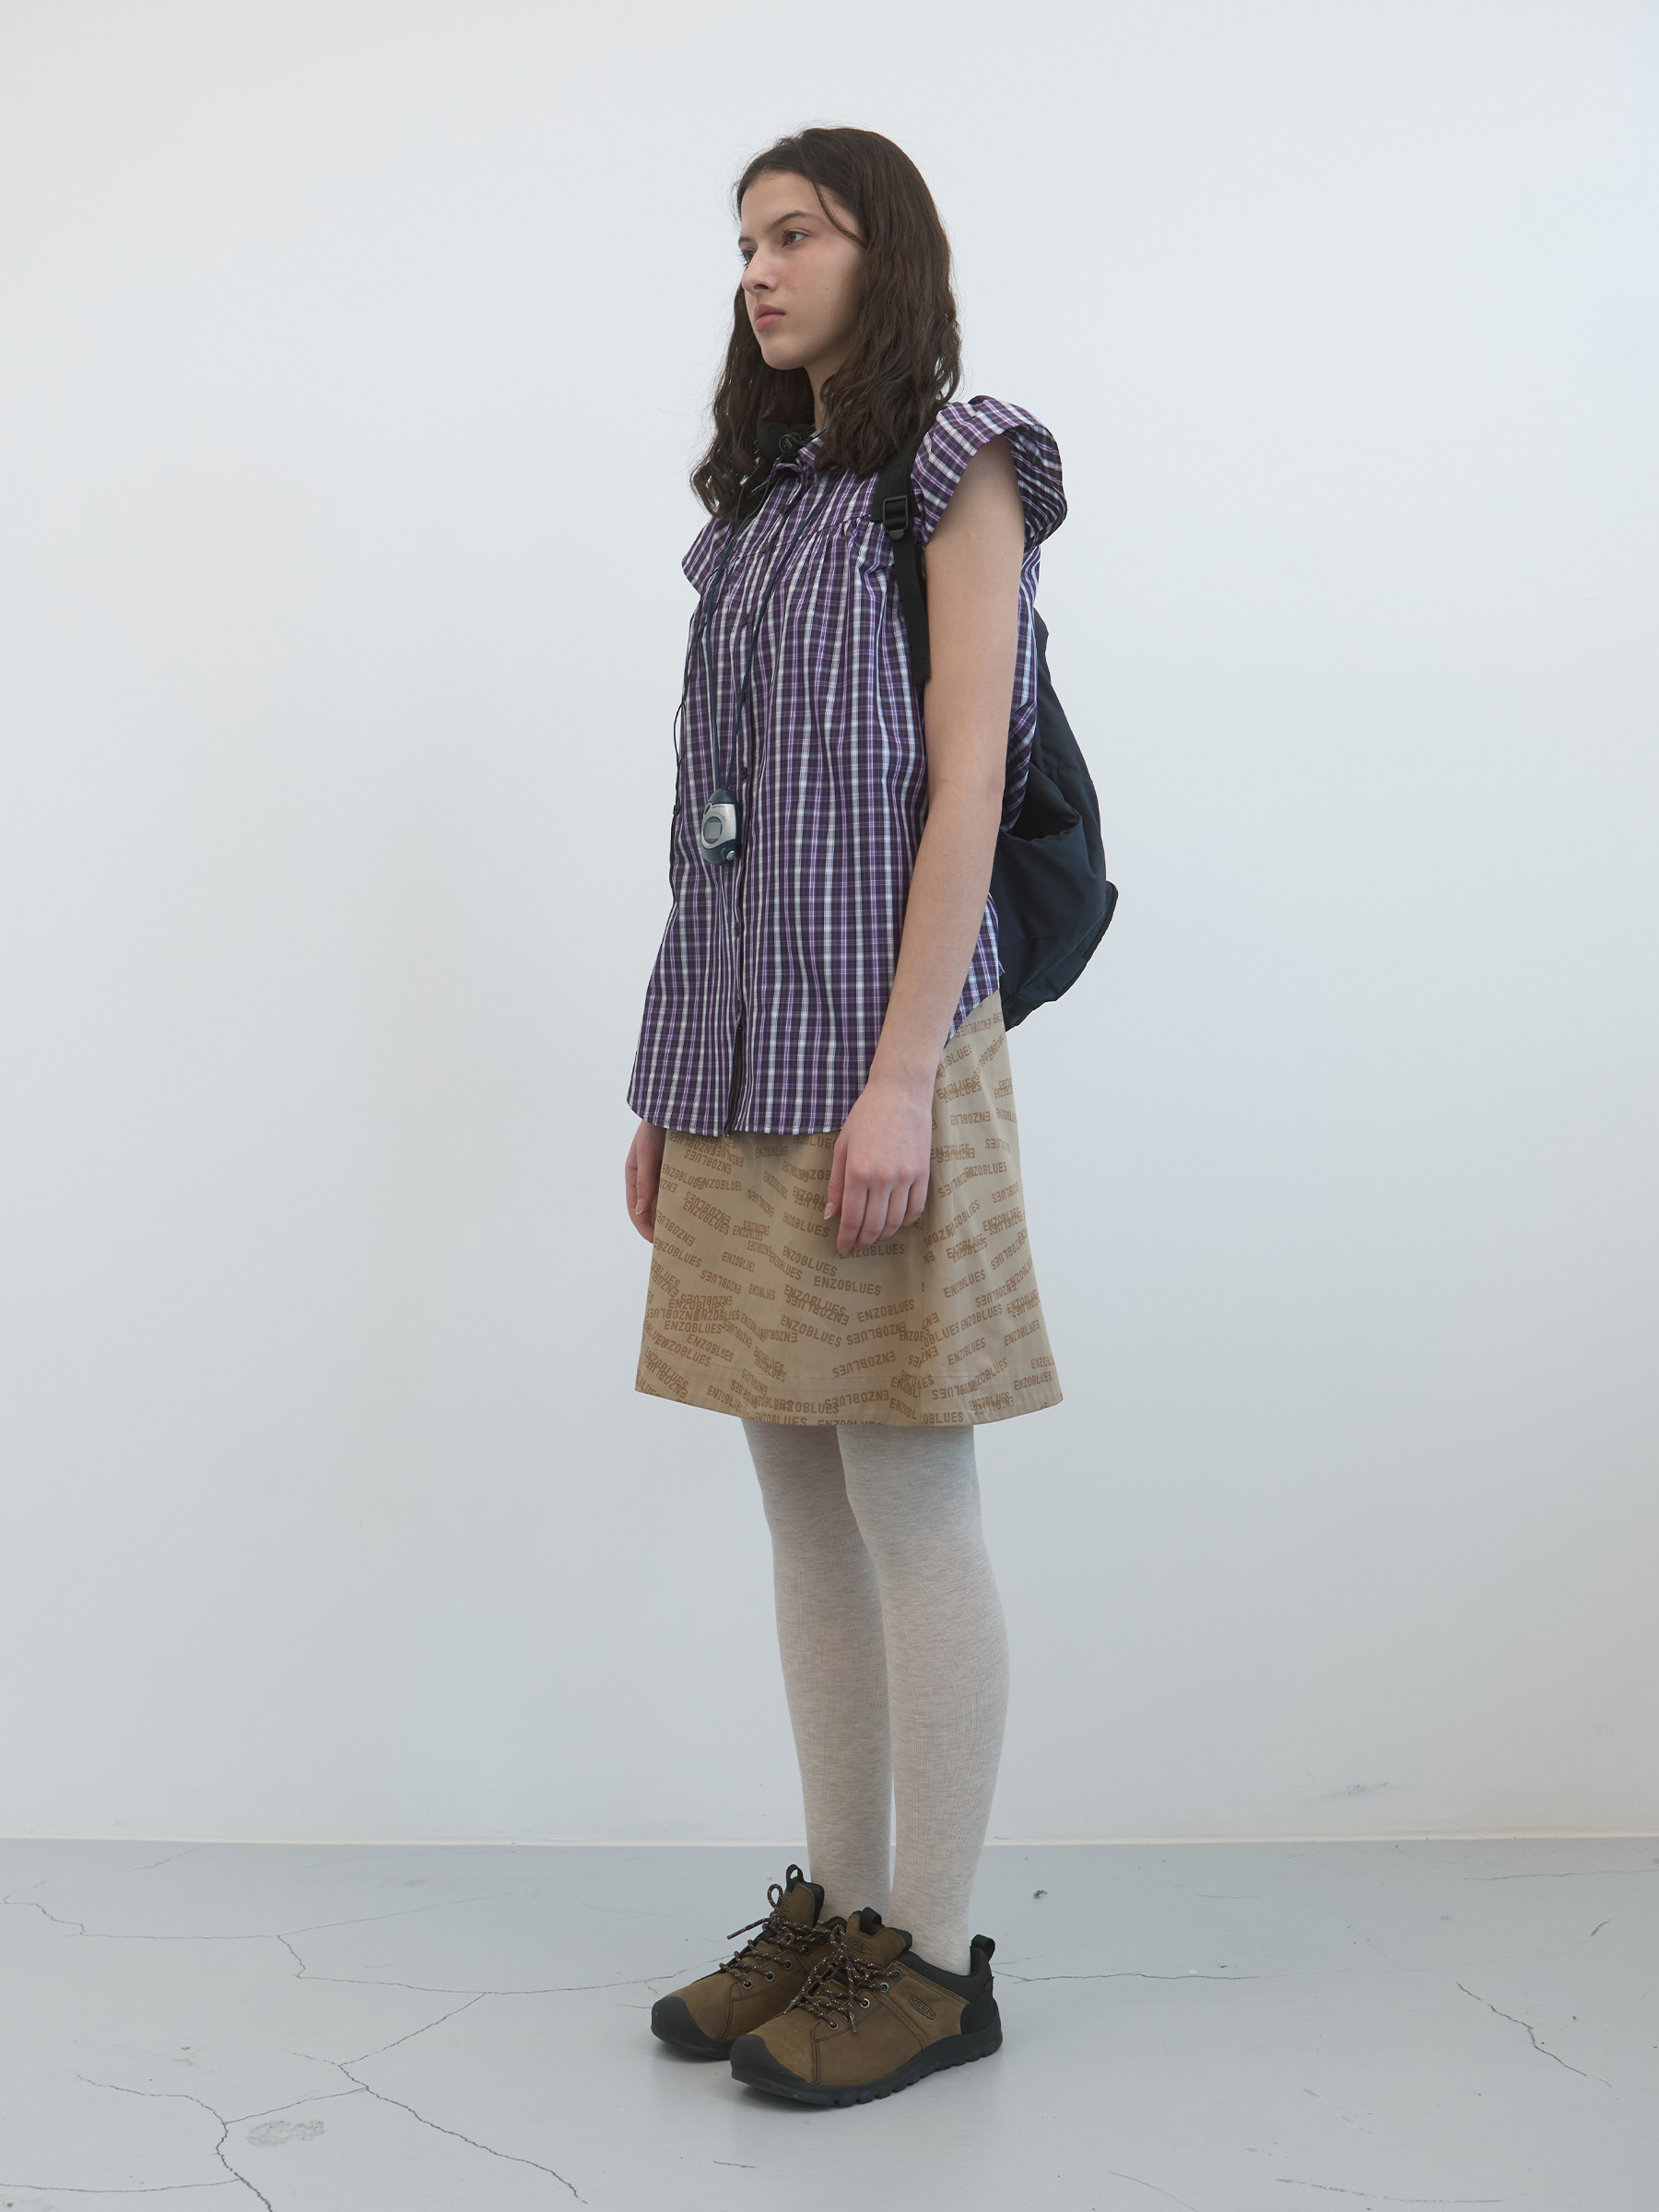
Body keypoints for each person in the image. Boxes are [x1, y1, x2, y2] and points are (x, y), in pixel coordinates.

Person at [622, 125, 1066, 2108]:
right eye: (744, 241)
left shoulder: (961, 468)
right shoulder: (764, 511)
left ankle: (940, 1965)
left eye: (795, 232)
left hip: (886, 1061)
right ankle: (844, 1915)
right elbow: (708, 837)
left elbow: (967, 783)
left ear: (886, 250)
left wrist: (900, 1085)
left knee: (910, 1496)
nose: (759, 269)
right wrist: (667, 1083)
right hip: (739, 1062)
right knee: (799, 1495)